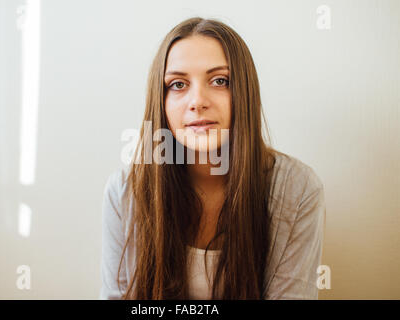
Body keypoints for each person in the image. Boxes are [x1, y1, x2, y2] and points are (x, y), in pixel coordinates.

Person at [100, 17, 326, 300]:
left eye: (220, 81)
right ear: (161, 101)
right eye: (178, 84)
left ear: (243, 92)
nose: (197, 101)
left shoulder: (298, 189)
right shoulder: (125, 191)